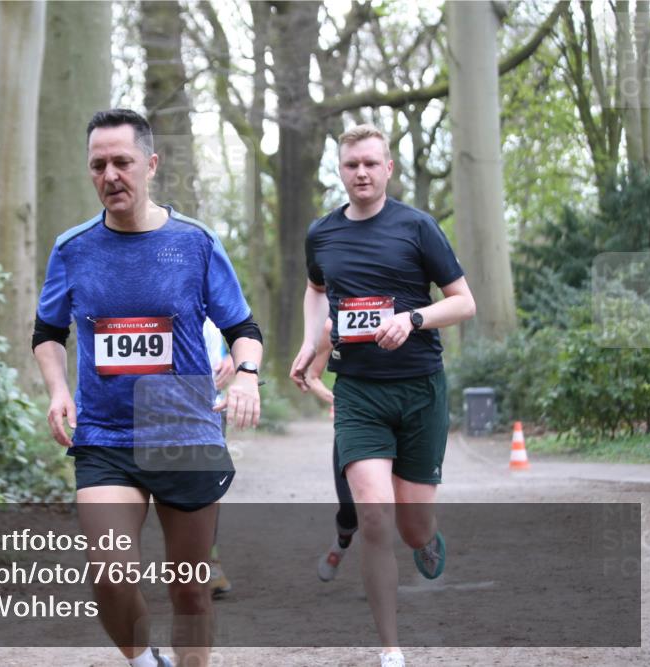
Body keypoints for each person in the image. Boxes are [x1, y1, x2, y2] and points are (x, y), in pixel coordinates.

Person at [32, 109, 263, 667]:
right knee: (109, 571)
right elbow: (46, 331)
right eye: (98, 165)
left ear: (150, 165)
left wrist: (248, 374)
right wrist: (58, 389)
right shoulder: (73, 248)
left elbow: (242, 330)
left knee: (189, 590)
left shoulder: (195, 243)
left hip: (181, 425)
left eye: (122, 162)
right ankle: (142, 659)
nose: (110, 174)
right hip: (106, 432)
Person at [289, 124, 475, 667]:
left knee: (413, 526)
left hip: (420, 389)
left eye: (371, 163)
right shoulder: (321, 234)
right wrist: (309, 342)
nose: (362, 174)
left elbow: (463, 302)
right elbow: (316, 290)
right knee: (374, 514)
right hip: (359, 393)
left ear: (388, 168)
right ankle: (390, 648)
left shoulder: (418, 228)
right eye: (352, 166)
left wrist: (413, 318)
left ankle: (426, 540)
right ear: (340, 171)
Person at [301, 318, 359, 582]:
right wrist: (335, 399)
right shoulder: (332, 325)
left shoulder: (402, 309)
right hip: (354, 420)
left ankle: (376, 575)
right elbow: (312, 376)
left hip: (398, 415)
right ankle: (342, 541)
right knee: (349, 508)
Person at [202, 318, 234, 598]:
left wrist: (236, 358)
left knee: (206, 485)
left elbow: (240, 324)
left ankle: (209, 559)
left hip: (208, 403)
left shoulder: (212, 274)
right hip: (144, 398)